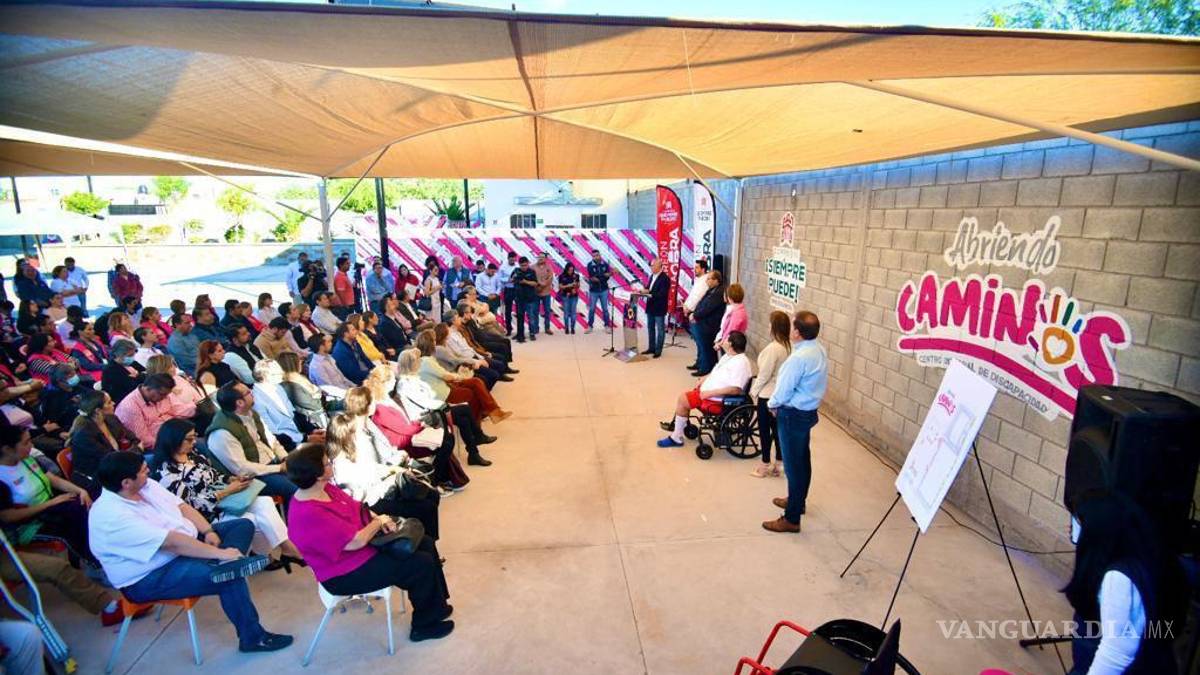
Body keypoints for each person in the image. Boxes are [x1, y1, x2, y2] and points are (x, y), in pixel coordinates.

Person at [89, 451, 293, 653]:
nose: (148, 471)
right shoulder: (113, 516)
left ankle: (225, 564)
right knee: (229, 578)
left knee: (242, 525)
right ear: (126, 482)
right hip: (150, 576)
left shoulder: (144, 485)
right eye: (143, 471)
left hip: (184, 544)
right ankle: (253, 639)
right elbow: (172, 543)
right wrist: (222, 554)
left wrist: (208, 530)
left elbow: (183, 507)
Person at [285, 443, 454, 642]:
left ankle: (437, 607)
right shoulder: (308, 513)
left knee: (424, 542)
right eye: (327, 463)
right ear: (317, 474)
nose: (331, 464)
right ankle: (423, 626)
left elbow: (358, 508)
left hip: (364, 550)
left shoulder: (326, 489)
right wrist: (379, 521)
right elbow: (355, 542)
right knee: (420, 564)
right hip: (345, 573)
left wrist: (380, 520)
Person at [152, 419, 305, 568]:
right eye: (189, 439)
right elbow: (190, 505)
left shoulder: (193, 455)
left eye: (194, 437)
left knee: (265, 502)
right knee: (252, 519)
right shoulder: (166, 474)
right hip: (208, 514)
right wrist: (226, 491)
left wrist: (230, 479)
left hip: (225, 500)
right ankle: (264, 555)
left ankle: (285, 548)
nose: (194, 442)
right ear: (174, 440)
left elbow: (213, 474)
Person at [1063, 491, 1186, 675]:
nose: (1074, 529)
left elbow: (1115, 653)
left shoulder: (1119, 579)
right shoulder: (1150, 558)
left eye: (1081, 523)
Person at [324, 408, 443, 538]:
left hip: (377, 492)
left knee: (431, 494)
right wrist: (391, 480)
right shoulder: (342, 465)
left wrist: (393, 470)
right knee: (427, 507)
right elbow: (361, 496)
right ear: (348, 436)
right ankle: (426, 542)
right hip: (371, 504)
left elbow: (372, 469)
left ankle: (425, 538)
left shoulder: (350, 453)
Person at [763, 311, 828, 534]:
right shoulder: (818, 349)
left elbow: (783, 390)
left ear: (798, 333)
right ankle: (797, 502)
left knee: (793, 466)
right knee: (802, 460)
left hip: (792, 414)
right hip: (808, 412)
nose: (790, 329)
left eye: (792, 327)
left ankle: (791, 519)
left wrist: (772, 404)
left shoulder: (798, 359)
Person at [0, 425, 95, 567]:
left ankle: (96, 550)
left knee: (86, 497)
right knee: (75, 513)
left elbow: (53, 479)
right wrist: (50, 504)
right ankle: (91, 560)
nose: (31, 446)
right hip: (29, 524)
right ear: (7, 449)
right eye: (26, 443)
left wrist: (81, 491)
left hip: (52, 506)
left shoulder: (28, 460)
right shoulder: (2, 478)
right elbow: (7, 516)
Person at [394, 350, 487, 476]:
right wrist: (443, 406)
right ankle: (477, 439)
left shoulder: (412, 378)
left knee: (463, 419)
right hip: (426, 416)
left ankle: (473, 452)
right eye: (417, 361)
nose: (420, 362)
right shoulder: (407, 383)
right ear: (412, 364)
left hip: (432, 409)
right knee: (464, 410)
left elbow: (429, 396)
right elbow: (426, 401)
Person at [657, 331, 753, 448]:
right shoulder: (729, 356)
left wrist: (709, 393)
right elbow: (717, 372)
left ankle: (676, 437)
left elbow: (735, 390)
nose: (724, 341)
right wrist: (704, 378)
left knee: (682, 400)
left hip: (717, 399)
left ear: (731, 345)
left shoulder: (740, 363)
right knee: (686, 397)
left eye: (727, 340)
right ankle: (679, 424)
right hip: (708, 392)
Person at [206, 382, 297, 500]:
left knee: (310, 474)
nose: (252, 392)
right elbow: (242, 469)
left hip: (272, 463)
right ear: (239, 403)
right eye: (248, 392)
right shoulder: (222, 433)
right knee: (294, 488)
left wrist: (285, 458)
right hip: (253, 478)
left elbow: (270, 440)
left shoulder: (250, 413)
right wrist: (280, 468)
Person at [414, 330, 510, 427]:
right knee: (471, 393)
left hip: (447, 383)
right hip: (444, 390)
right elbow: (446, 375)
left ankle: (493, 411)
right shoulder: (427, 360)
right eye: (434, 340)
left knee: (476, 381)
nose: (435, 342)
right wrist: (460, 376)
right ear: (430, 343)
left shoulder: (429, 358)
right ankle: (477, 424)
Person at [68, 390, 140, 496]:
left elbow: (132, 437)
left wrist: (135, 448)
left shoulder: (111, 419)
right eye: (109, 402)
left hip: (119, 466)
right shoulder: (84, 435)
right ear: (98, 411)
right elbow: (110, 459)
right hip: (97, 477)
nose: (114, 403)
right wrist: (137, 450)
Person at [750, 311, 792, 479]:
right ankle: (779, 464)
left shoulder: (773, 349)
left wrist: (753, 392)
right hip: (782, 395)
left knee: (764, 431)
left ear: (774, 327)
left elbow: (764, 374)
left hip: (767, 395)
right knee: (777, 431)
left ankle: (764, 464)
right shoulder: (789, 346)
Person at [114, 373, 196, 450]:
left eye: (167, 395)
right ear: (148, 388)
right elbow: (144, 440)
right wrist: (173, 445)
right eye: (162, 394)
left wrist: (198, 408)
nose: (165, 398)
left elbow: (177, 410)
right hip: (160, 445)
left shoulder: (161, 395)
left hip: (177, 434)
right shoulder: (130, 408)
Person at [251, 360, 310, 451]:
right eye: (276, 373)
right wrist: (305, 439)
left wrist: (311, 430)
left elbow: (293, 414)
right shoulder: (256, 400)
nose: (282, 374)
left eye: (280, 371)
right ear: (265, 376)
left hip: (300, 434)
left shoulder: (278, 387)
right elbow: (273, 432)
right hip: (287, 445)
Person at [435, 321, 504, 390]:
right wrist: (474, 362)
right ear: (444, 334)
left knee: (494, 370)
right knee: (489, 376)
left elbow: (469, 346)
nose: (450, 331)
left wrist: (479, 357)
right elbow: (456, 359)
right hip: (458, 369)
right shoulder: (441, 348)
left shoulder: (450, 338)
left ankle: (483, 394)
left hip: (466, 361)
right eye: (448, 330)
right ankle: (483, 395)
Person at [276, 351, 330, 433]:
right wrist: (321, 397)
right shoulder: (290, 385)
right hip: (315, 420)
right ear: (292, 364)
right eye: (299, 360)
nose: (301, 362)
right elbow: (313, 405)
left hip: (321, 411)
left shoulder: (300, 378)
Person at [690, 271, 726, 376]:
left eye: (709, 278)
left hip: (709, 325)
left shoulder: (719, 292)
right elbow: (701, 304)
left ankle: (705, 369)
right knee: (700, 345)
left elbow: (708, 308)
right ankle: (700, 363)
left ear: (716, 280)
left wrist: (695, 315)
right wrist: (694, 313)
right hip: (702, 321)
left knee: (705, 347)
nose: (706, 281)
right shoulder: (711, 290)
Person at [39, 363, 85, 432]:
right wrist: (60, 433)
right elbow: (50, 423)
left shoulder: (74, 386)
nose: (75, 377)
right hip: (71, 427)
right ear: (59, 381)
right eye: (71, 376)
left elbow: (89, 393)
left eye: (74, 374)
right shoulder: (51, 397)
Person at [682, 259, 711, 368]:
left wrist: (688, 308)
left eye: (697, 268)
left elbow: (698, 297)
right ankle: (699, 362)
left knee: (700, 341)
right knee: (697, 341)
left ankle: (702, 364)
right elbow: (692, 295)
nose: (695, 269)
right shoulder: (699, 280)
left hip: (696, 312)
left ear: (703, 269)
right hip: (691, 310)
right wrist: (685, 305)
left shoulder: (704, 281)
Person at [641, 257, 670, 358]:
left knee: (660, 330)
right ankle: (651, 348)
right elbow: (649, 288)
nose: (651, 267)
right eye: (651, 265)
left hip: (659, 307)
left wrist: (649, 293)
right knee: (650, 328)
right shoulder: (652, 276)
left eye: (652, 265)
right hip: (650, 306)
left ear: (659, 266)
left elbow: (662, 294)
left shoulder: (665, 278)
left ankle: (658, 351)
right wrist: (644, 290)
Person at [101, 339, 145, 404]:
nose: (132, 357)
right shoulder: (111, 370)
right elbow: (131, 386)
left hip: (136, 395)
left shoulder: (132, 363)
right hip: (123, 400)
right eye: (129, 355)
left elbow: (147, 372)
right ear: (119, 354)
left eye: (133, 355)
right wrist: (139, 376)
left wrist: (138, 376)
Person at [511, 256, 539, 343]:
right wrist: (515, 278)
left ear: (528, 264)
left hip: (530, 298)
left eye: (525, 265)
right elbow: (511, 279)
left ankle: (532, 333)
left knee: (531, 317)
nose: (524, 267)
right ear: (519, 265)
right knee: (520, 317)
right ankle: (520, 334)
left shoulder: (532, 272)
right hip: (519, 298)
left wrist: (525, 281)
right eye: (522, 265)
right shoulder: (516, 270)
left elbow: (535, 283)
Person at [585, 249, 612, 334]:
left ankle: (607, 326)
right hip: (593, 290)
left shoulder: (605, 264)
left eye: (597, 255)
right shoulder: (590, 265)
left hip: (604, 289)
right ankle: (590, 326)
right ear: (592, 257)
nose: (596, 257)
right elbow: (593, 277)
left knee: (605, 309)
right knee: (592, 309)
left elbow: (608, 276)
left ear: (600, 255)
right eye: (594, 256)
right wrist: (604, 275)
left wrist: (604, 276)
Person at [715, 283, 748, 351]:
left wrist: (721, 343)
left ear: (730, 298)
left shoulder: (737, 313)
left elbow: (731, 330)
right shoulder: (736, 309)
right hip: (729, 342)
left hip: (732, 345)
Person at [532, 252, 555, 335]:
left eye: (542, 257)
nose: (540, 258)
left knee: (547, 311)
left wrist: (543, 285)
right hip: (536, 292)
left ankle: (547, 328)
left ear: (545, 259)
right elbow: (531, 277)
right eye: (539, 257)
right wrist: (538, 285)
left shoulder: (549, 267)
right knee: (535, 311)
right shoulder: (532, 267)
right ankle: (535, 328)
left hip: (546, 292)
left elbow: (550, 277)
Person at [497, 251, 519, 335]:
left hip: (517, 289)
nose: (513, 260)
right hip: (508, 289)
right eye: (511, 259)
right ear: (508, 258)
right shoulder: (503, 267)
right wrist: (508, 280)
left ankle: (519, 331)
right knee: (508, 310)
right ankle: (509, 329)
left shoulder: (517, 266)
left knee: (519, 310)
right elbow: (499, 278)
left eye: (514, 259)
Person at [557, 262, 581, 335]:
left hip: (574, 296)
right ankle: (566, 328)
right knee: (566, 313)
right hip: (565, 296)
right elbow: (560, 287)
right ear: (566, 269)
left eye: (572, 270)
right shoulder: (562, 276)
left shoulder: (576, 275)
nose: (571, 271)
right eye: (569, 270)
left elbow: (578, 285)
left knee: (573, 312)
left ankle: (573, 328)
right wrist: (569, 285)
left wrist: (576, 285)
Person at [421, 257, 445, 323]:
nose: (437, 271)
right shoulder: (428, 280)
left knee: (438, 321)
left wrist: (441, 287)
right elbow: (427, 293)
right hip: (431, 303)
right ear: (430, 270)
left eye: (437, 270)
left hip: (438, 302)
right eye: (435, 270)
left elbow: (438, 288)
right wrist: (437, 288)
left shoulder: (436, 279)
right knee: (432, 322)